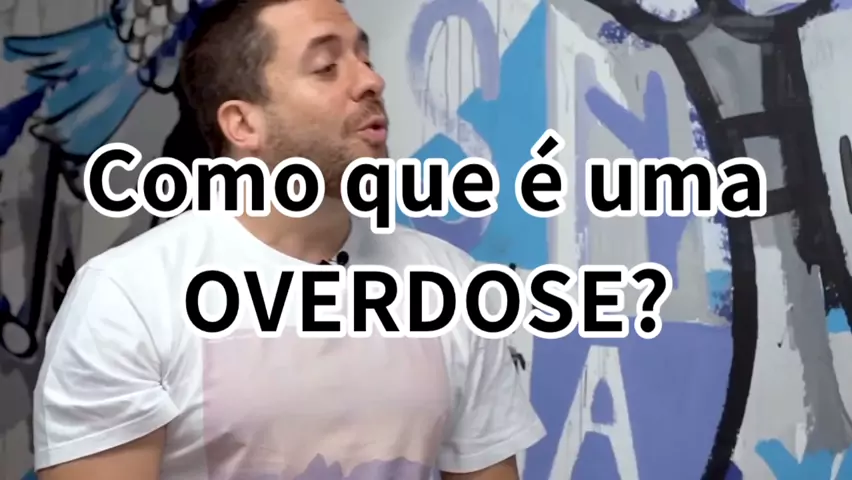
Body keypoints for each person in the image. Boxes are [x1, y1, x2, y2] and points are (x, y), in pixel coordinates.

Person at [32, 0, 546, 479]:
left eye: (365, 59)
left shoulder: (449, 284)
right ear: (243, 123)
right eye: (327, 67)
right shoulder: (129, 298)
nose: (372, 80)